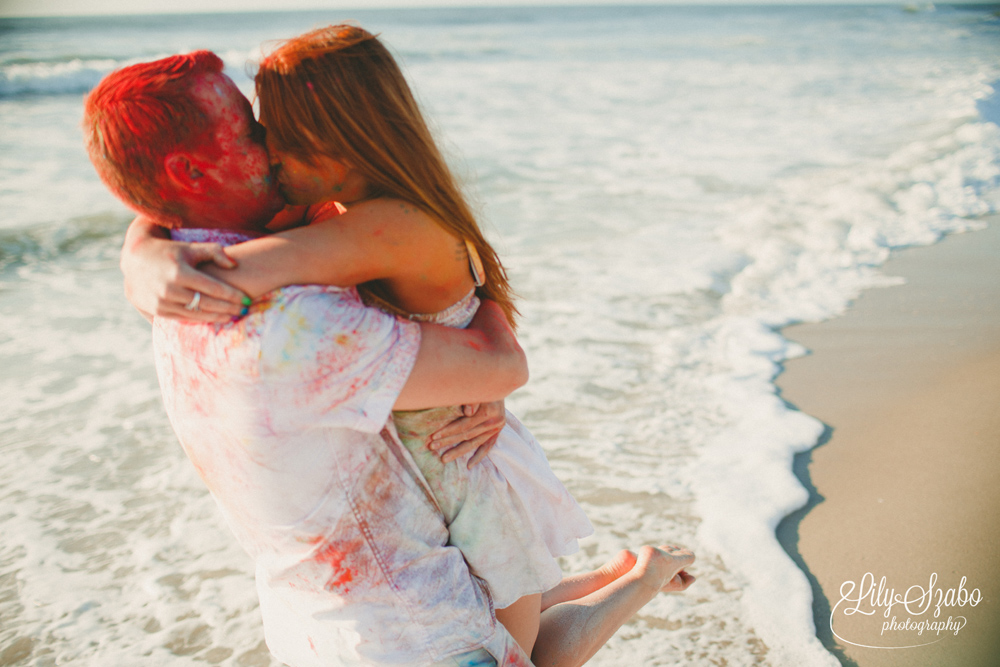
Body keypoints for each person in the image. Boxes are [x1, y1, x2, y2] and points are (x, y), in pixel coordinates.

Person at [101, 50, 696, 667]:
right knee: (528, 641)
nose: (269, 145)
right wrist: (140, 249)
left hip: (378, 618)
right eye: (254, 132)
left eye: (270, 129)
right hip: (389, 620)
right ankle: (640, 575)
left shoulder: (214, 288)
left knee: (525, 637)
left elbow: (498, 362)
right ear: (192, 172)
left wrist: (147, 253)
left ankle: (639, 577)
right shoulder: (260, 296)